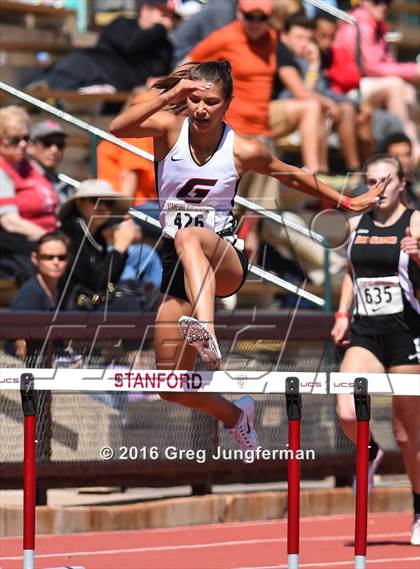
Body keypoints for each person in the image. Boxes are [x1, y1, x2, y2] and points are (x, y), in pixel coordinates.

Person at [110, 60, 387, 457]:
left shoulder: (242, 149)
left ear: (227, 104)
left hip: (225, 259)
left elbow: (289, 174)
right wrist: (168, 96)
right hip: (180, 266)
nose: (202, 109)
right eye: (195, 101)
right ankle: (236, 414)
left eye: (211, 102)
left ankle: (205, 328)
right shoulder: (170, 130)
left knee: (190, 235)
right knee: (168, 386)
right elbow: (117, 129)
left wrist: (345, 200)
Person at [330, 154, 420, 545]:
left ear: (402, 183)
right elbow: (352, 273)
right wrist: (342, 314)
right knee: (347, 407)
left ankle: (419, 510)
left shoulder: (415, 222)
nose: (380, 189)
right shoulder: (354, 224)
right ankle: (368, 450)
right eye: (372, 182)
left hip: (406, 332)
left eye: (387, 181)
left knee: (407, 431)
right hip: (366, 331)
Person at [328, 0, 420, 160]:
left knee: (407, 89)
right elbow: (370, 66)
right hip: (350, 87)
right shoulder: (358, 23)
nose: (383, 6)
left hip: (368, 85)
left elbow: (387, 63)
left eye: (388, 2)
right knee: (395, 85)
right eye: (377, 1)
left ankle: (411, 146)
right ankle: (404, 148)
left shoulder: (376, 25)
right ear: (363, 2)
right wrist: (413, 70)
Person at [27, 0, 180, 92]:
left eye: (172, 18)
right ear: (146, 10)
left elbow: (157, 74)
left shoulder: (165, 47)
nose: (168, 22)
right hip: (85, 69)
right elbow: (131, 45)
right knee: (64, 72)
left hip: (113, 88)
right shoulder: (123, 24)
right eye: (164, 15)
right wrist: (159, 29)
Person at [58, 179, 162, 311]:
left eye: (108, 202)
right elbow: (97, 284)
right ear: (79, 203)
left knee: (147, 291)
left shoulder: (96, 234)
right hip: (74, 310)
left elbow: (109, 280)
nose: (103, 207)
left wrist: (121, 250)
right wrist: (120, 247)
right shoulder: (69, 234)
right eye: (95, 200)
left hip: (93, 304)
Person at [0, 106, 59, 283]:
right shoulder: (3, 170)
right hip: (22, 245)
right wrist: (50, 239)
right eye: (14, 140)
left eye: (26, 138)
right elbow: (10, 222)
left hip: (48, 238)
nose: (23, 144)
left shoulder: (30, 166)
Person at [9, 231, 70, 361]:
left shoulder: (63, 289)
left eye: (61, 257)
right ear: (35, 258)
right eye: (48, 257)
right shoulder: (30, 294)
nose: (56, 262)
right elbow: (18, 345)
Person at [27, 119, 71, 204]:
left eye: (60, 144)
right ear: (30, 146)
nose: (54, 150)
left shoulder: (61, 183)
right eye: (47, 143)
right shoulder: (21, 179)